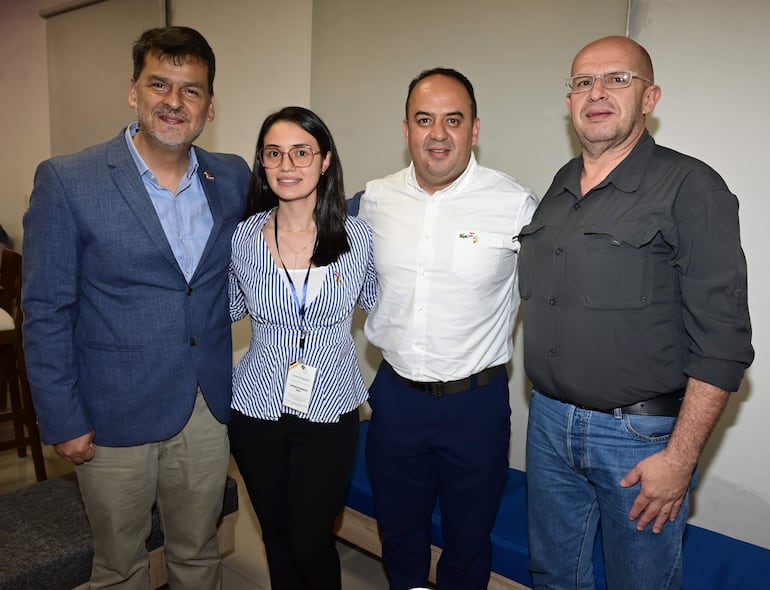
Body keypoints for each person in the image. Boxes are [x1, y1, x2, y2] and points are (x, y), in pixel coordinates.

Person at [518, 35, 754, 590]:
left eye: (617, 79)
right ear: (570, 99)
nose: (596, 93)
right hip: (549, 424)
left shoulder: (692, 187)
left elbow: (722, 344)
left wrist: (679, 459)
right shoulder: (559, 186)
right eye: (582, 82)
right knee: (553, 575)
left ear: (650, 98)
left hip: (637, 437)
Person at [22, 26, 249, 589]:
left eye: (191, 90)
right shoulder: (68, 180)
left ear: (210, 104)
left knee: (198, 554)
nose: (174, 102)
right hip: (111, 414)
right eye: (159, 85)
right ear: (133, 91)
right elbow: (46, 309)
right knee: (120, 566)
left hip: (203, 406)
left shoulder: (234, 176)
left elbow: (303, 206)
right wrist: (63, 417)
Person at [351, 68, 538, 590]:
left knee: (468, 543)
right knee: (401, 539)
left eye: (453, 120)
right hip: (395, 399)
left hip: (473, 406)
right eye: (424, 120)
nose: (438, 134)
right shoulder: (373, 201)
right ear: (406, 128)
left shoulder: (516, 205)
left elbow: (553, 298)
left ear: (474, 129)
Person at [228, 106, 377, 590]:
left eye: (301, 152)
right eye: (274, 154)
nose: (287, 165)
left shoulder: (358, 238)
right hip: (256, 407)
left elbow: (385, 308)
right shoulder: (243, 238)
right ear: (262, 164)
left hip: (331, 408)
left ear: (325, 160)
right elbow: (224, 309)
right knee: (275, 536)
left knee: (311, 541)